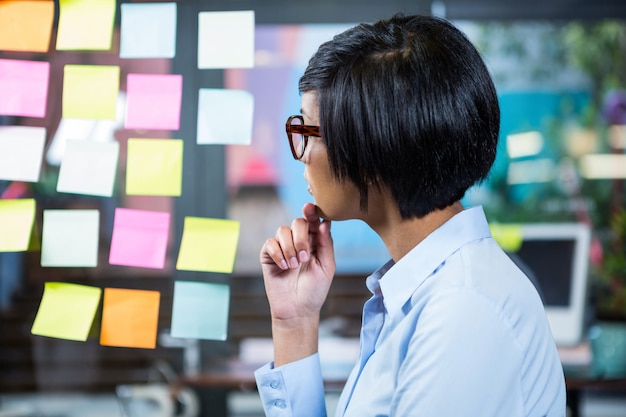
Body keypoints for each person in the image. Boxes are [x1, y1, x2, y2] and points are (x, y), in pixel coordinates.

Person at [254, 14, 566, 417]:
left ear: (371, 150)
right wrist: (295, 324)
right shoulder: (429, 291)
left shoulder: (463, 310)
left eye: (308, 132)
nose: (302, 155)